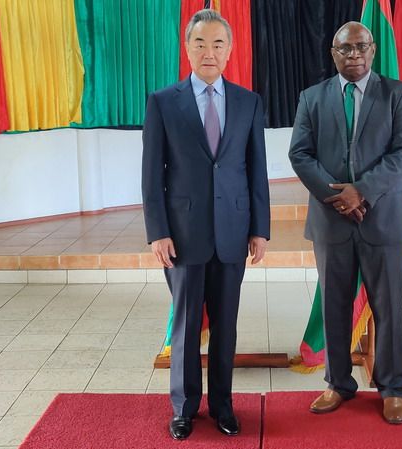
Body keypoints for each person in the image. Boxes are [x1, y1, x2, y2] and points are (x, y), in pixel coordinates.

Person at [141, 9, 270, 440]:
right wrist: (158, 231)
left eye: (217, 44)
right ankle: (183, 407)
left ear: (230, 50)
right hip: (182, 234)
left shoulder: (248, 102)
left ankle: (223, 406)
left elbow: (256, 170)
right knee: (186, 324)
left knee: (226, 325)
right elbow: (152, 174)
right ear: (187, 48)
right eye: (200, 43)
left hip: (233, 232)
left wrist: (260, 228)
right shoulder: (163, 102)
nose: (209, 52)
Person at [288, 21, 402, 424]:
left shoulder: (397, 94)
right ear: (334, 54)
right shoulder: (312, 97)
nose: (354, 54)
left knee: (388, 307)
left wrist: (360, 191)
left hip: (384, 219)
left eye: (361, 46)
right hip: (332, 221)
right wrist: (338, 197)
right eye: (345, 48)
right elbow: (300, 154)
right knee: (334, 306)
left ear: (373, 49)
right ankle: (338, 383)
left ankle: (393, 388)